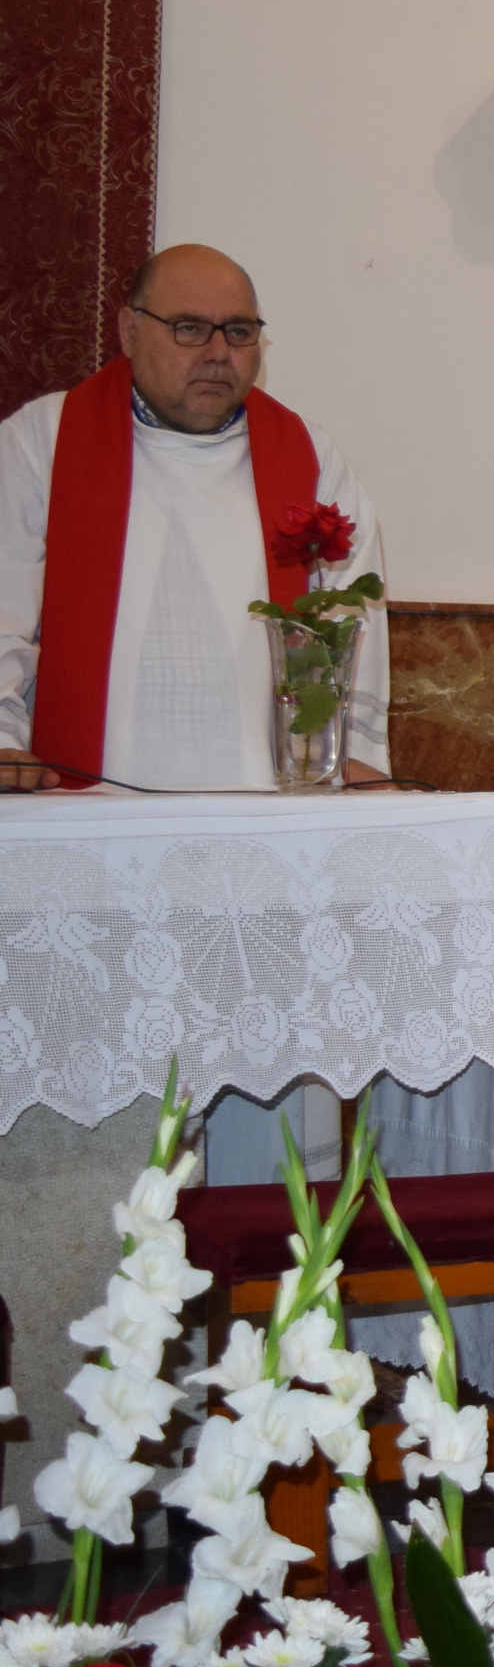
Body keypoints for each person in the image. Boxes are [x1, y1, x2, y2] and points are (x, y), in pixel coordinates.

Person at [0, 244, 401, 1186]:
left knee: (272, 1104)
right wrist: (3, 740)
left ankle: (274, 1273)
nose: (217, 352)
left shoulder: (311, 457)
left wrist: (359, 752)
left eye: (239, 331)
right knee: (106, 1119)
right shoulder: (45, 440)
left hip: (267, 832)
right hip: (97, 826)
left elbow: (357, 620)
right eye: (189, 329)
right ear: (128, 330)